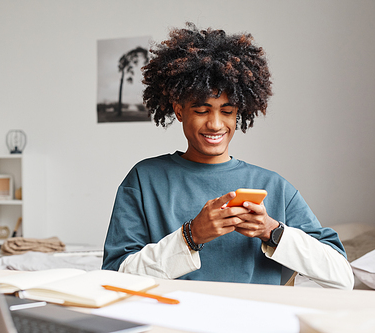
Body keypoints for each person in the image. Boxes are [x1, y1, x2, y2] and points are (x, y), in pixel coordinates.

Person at [102, 23, 354, 289]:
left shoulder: (274, 187)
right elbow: (114, 277)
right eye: (201, 110)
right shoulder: (145, 180)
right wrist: (191, 236)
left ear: (239, 113)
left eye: (227, 111)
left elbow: (341, 276)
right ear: (179, 111)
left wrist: (271, 231)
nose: (215, 124)